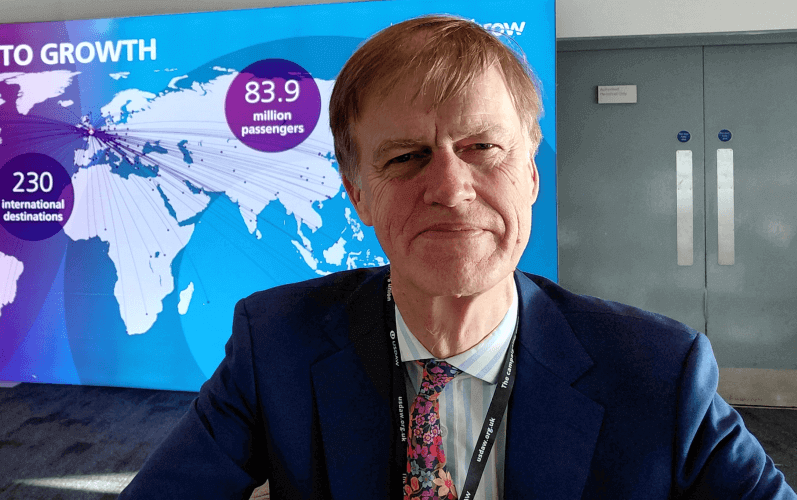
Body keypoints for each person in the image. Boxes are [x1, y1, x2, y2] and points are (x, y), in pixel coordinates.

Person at [118, 15, 797, 500]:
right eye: (406, 156)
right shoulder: (276, 346)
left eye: (482, 147)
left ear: (530, 174)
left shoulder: (658, 371)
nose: (447, 186)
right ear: (359, 194)